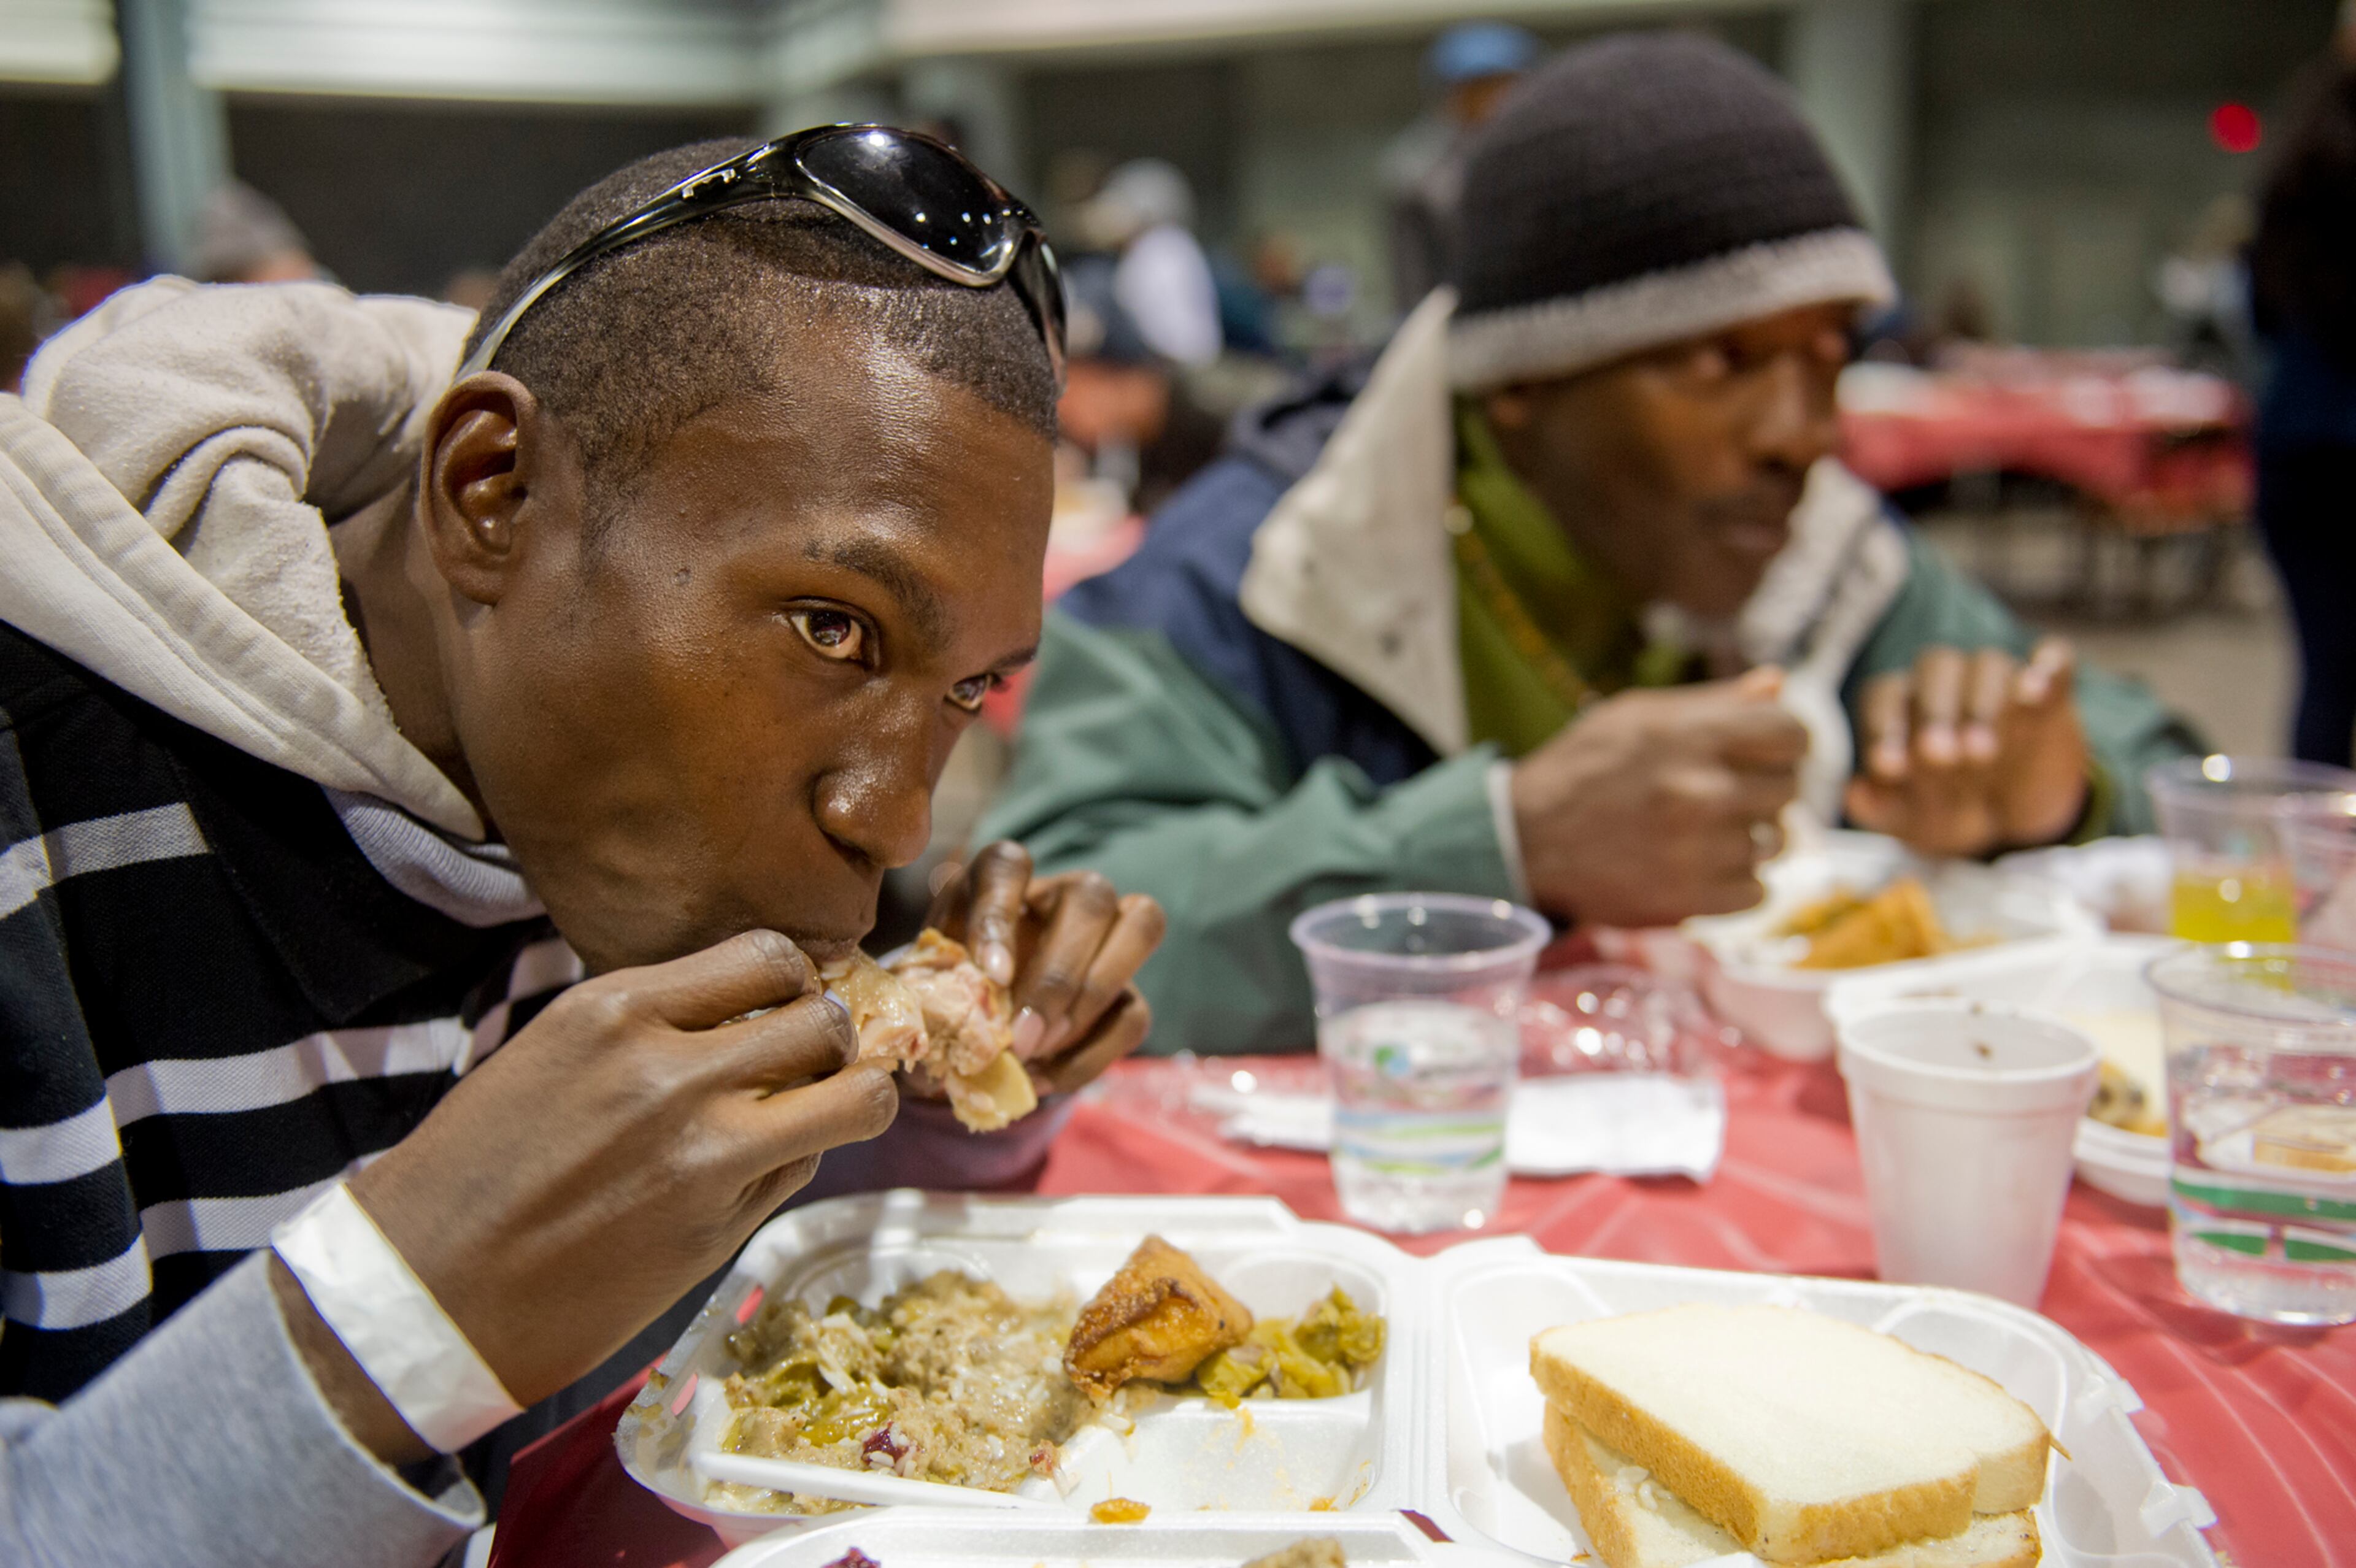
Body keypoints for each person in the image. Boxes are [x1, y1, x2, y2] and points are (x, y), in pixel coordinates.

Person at [0, 131, 1162, 1565]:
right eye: (831, 629)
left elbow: (677, 1360)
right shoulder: (36, 824)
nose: (896, 818)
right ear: (493, 493)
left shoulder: (610, 809)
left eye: (966, 689)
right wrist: (396, 1319)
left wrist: (938, 1102)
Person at [979, 34, 2200, 1057]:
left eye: (1830, 355)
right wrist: (1503, 844)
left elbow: (2188, 786)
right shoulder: (1259, 569)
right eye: (1722, 360)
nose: (1803, 433)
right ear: (1521, 386)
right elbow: (1044, 937)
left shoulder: (1817, 544)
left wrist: (2056, 785)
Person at [2249, 13, 2356, 766]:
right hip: (2331, 443)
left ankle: (2315, 868)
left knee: (2326, 672)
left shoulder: (2296, 154)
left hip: (2294, 445)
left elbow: (2258, 307)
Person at [1381, 20, 1541, 315]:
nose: (1497, 99)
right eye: (1480, 87)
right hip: (1456, 321)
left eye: (1507, 84)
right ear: (1452, 94)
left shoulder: (1544, 153)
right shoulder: (1418, 175)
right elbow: (1412, 284)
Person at [1076, 158, 1223, 368]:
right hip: (1179, 368)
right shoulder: (1170, 244)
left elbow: (1167, 339)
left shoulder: (1158, 250)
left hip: (1175, 372)